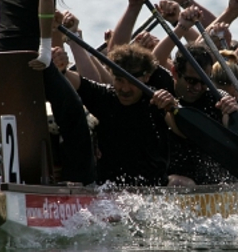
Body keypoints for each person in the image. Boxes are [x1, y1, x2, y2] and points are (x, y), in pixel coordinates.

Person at [0, 0, 96, 185]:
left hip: (1, 57)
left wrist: (45, 15)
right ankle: (80, 183)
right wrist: (46, 47)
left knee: (15, 114)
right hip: (33, 59)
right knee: (73, 113)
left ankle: (12, 174)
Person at [62, 43, 178, 186]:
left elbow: (180, 130)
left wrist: (172, 108)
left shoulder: (156, 101)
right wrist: (61, 68)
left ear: (146, 77)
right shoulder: (106, 96)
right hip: (109, 190)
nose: (125, 88)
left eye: (132, 82)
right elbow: (75, 80)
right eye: (119, 80)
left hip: (152, 191)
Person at [166, 43, 238, 186]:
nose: (198, 88)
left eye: (204, 82)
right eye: (192, 81)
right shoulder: (162, 90)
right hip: (171, 182)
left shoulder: (217, 101)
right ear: (175, 72)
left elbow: (237, 149)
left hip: (208, 185)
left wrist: (231, 120)